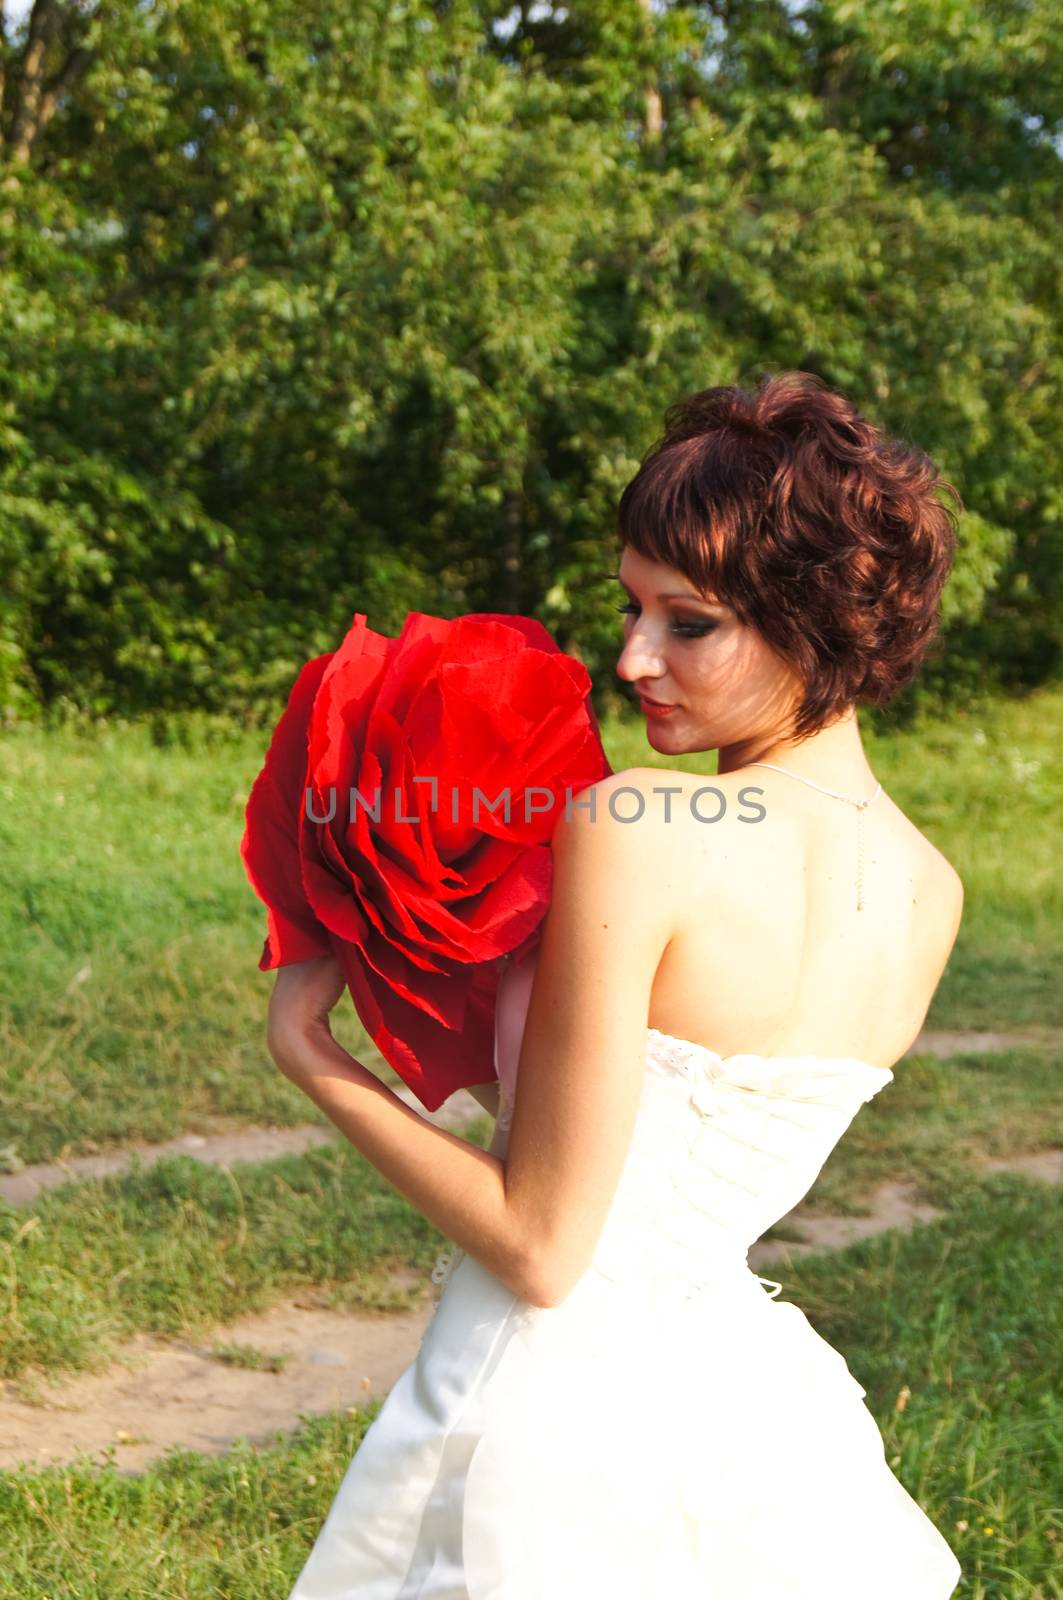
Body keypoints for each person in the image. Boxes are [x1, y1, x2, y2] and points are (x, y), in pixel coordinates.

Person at [268, 371, 965, 1597]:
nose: (633, 653)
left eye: (685, 622)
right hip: (732, 1415)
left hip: (537, 1405)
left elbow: (545, 1247)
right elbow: (638, 1161)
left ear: (811, 618)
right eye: (632, 608)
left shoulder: (638, 822)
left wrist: (313, 1054)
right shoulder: (930, 890)